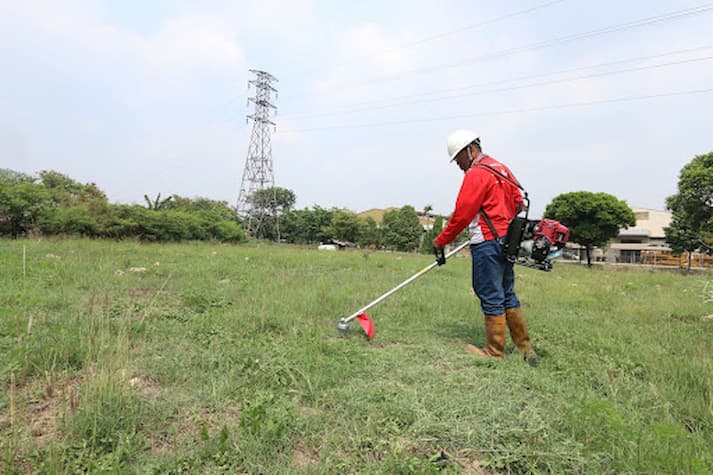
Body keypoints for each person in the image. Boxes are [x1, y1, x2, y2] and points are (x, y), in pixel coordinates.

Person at [432, 129, 538, 365]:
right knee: (506, 293)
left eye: (459, 158)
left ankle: (494, 351)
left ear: (471, 150)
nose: (459, 165)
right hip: (507, 241)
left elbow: (462, 214)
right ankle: (525, 348)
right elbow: (519, 203)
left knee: (490, 293)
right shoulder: (501, 168)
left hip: (487, 242)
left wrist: (441, 240)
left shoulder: (477, 174)